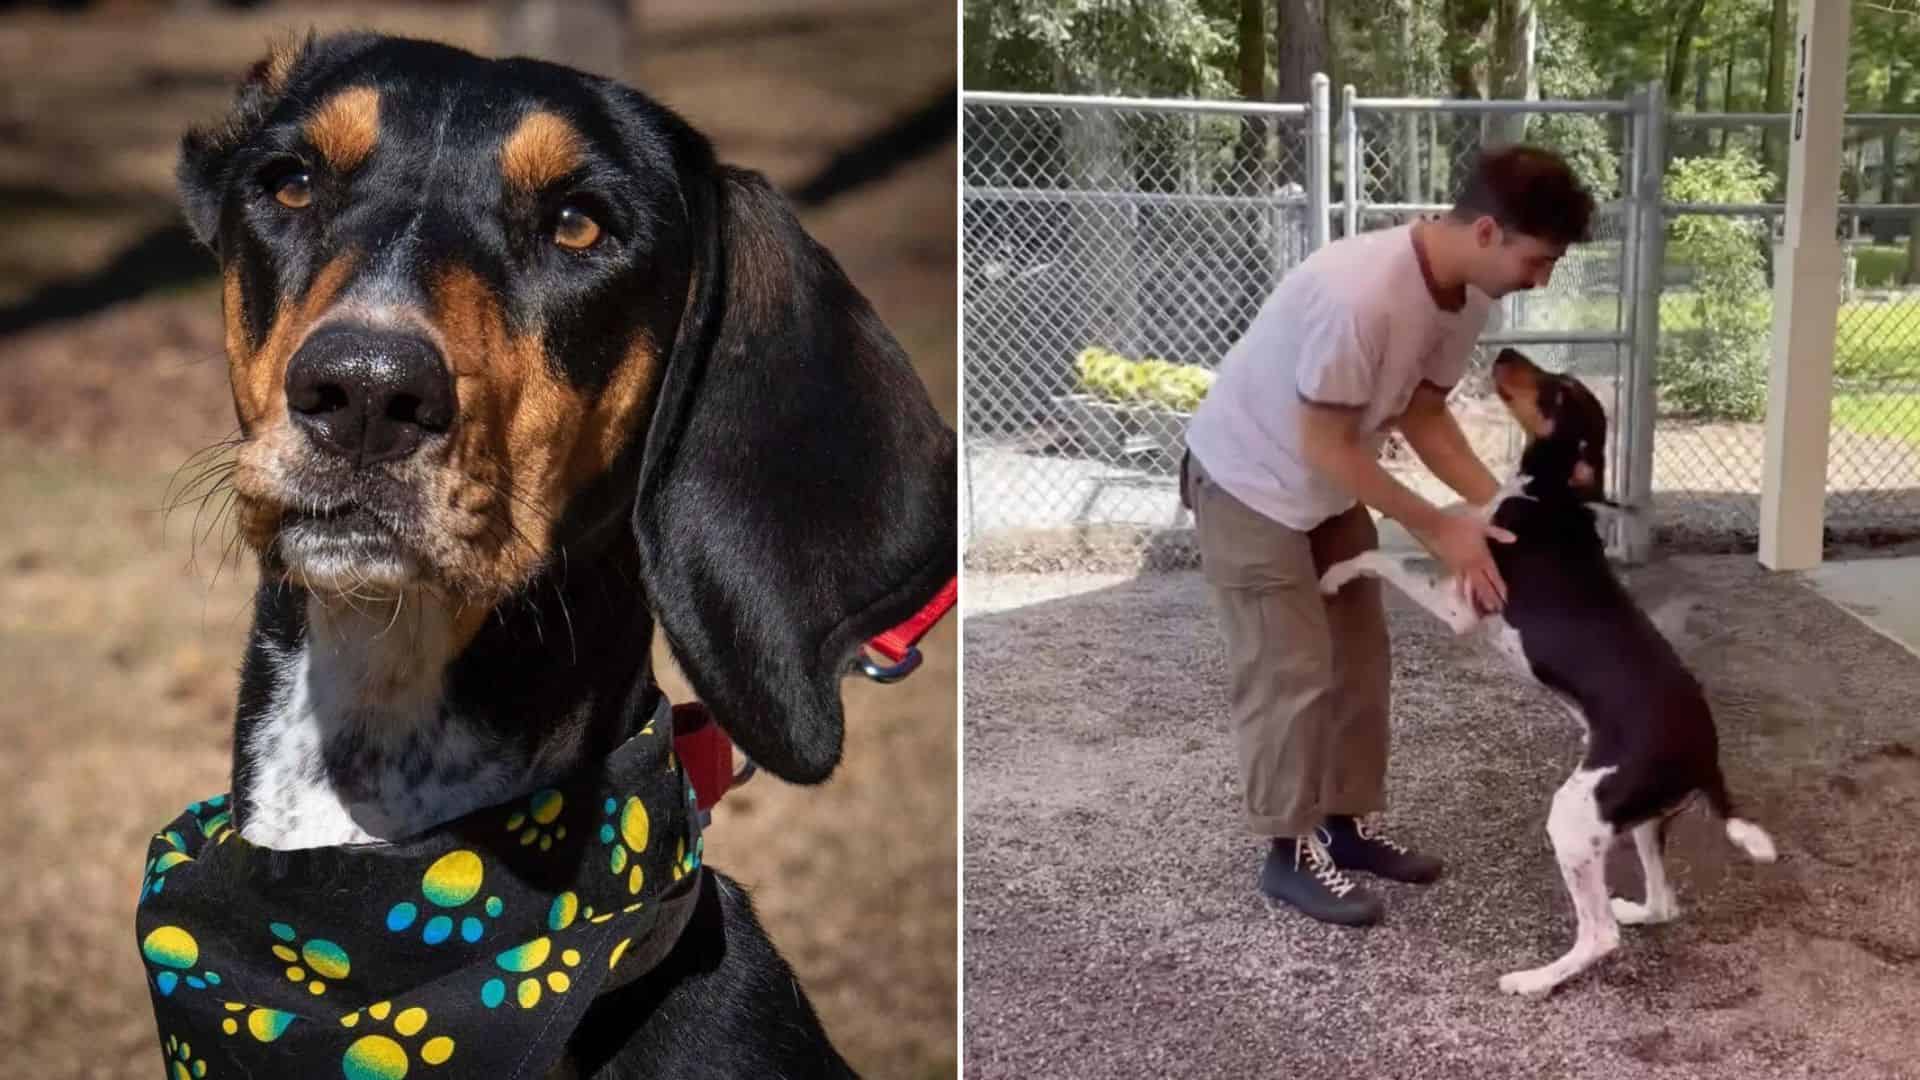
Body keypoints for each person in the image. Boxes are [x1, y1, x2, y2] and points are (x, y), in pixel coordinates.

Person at [1180, 144, 1596, 927]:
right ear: (1485, 231)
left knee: (1362, 661)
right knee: (1291, 670)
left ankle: (1345, 829)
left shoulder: (1466, 297)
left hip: (1325, 484)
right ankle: (1288, 853)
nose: (1540, 280)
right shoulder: (1361, 295)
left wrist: (1502, 508)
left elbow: (1423, 414)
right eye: (1537, 261)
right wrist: (1439, 526)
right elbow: (1324, 442)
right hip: (1247, 481)